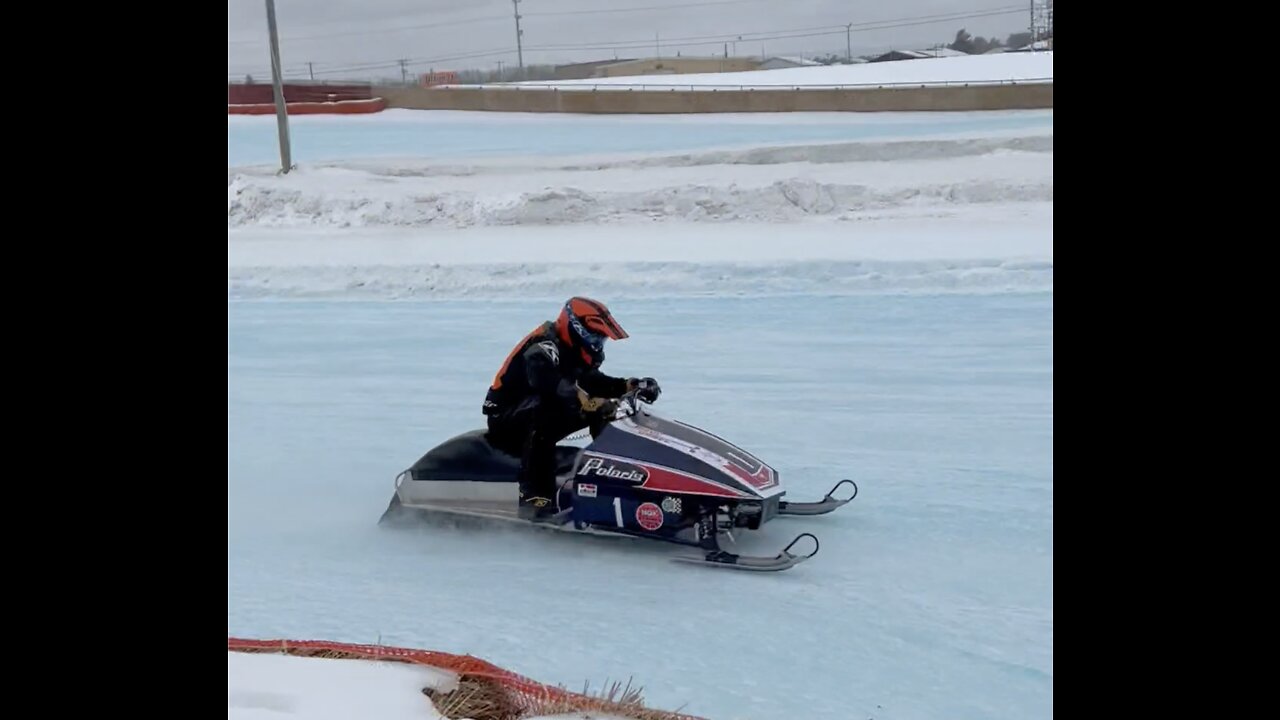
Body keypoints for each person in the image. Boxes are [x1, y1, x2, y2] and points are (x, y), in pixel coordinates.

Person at [482, 297, 661, 520]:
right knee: (547, 414)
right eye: (595, 336)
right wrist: (584, 399)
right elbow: (547, 382)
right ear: (575, 328)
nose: (597, 342)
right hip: (506, 417)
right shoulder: (544, 345)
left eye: (601, 338)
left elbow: (590, 380)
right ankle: (535, 499)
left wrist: (628, 385)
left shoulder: (575, 349)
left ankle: (619, 484)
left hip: (538, 406)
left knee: (605, 411)